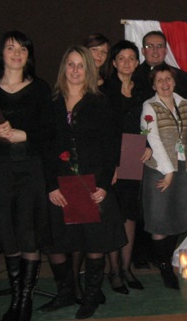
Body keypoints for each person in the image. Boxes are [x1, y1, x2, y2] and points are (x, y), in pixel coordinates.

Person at [0, 30, 53, 321]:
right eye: (10, 48)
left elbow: (50, 132)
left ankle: (25, 300)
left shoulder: (40, 88)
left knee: (28, 233)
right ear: (1, 53)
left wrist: (24, 135)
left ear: (29, 55)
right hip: (0, 170)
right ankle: (15, 298)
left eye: (22, 49)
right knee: (7, 232)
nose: (16, 54)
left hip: (30, 169)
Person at [43, 46, 127, 319]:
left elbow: (110, 145)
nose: (76, 70)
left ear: (88, 70)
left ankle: (90, 297)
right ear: (63, 68)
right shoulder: (51, 102)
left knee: (93, 242)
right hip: (60, 183)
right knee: (57, 243)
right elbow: (45, 146)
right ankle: (66, 293)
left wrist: (103, 184)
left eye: (81, 65)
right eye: (71, 64)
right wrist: (50, 185)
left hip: (91, 182)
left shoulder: (99, 102)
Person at [140, 64, 187, 290]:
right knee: (159, 220)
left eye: (168, 79)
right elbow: (152, 139)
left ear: (174, 82)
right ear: (153, 85)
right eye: (159, 80)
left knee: (176, 218)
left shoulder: (186, 105)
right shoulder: (149, 106)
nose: (164, 83)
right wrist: (168, 171)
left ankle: (166, 260)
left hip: (183, 168)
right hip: (159, 169)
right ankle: (164, 265)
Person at [104, 40, 153, 294]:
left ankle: (126, 267)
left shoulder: (143, 90)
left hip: (134, 151)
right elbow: (101, 129)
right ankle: (113, 271)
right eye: (121, 58)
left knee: (130, 213)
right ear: (113, 62)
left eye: (131, 58)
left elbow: (149, 124)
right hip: (111, 156)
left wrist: (148, 145)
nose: (126, 62)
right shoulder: (104, 89)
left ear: (137, 62)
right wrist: (110, 163)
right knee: (114, 214)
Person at [133, 30, 187, 101]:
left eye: (159, 46)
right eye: (149, 46)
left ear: (165, 50)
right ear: (143, 51)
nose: (155, 50)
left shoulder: (180, 76)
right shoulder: (133, 76)